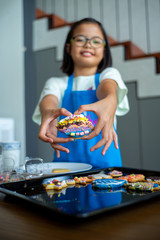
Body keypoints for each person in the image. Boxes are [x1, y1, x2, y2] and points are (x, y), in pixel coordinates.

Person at [32, 18, 129, 168]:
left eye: (96, 41)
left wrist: (110, 99)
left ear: (104, 51)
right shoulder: (57, 83)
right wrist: (48, 111)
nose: (88, 44)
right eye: (80, 39)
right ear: (68, 48)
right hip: (64, 172)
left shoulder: (109, 75)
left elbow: (108, 88)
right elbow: (49, 100)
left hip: (106, 171)